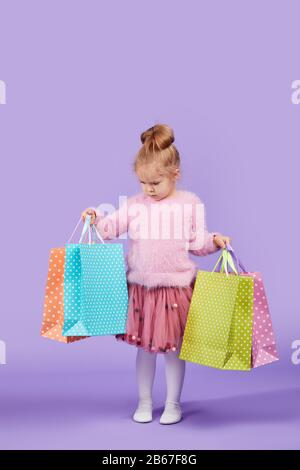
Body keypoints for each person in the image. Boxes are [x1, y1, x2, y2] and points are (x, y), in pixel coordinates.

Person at [81, 123, 231, 425]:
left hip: (175, 288)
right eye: (143, 182)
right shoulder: (135, 206)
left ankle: (174, 403)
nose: (149, 188)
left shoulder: (189, 204)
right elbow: (110, 229)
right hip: (143, 289)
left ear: (175, 174)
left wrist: (214, 240)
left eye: (156, 182)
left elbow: (197, 241)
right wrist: (96, 218)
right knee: (145, 351)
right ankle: (145, 402)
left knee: (175, 350)